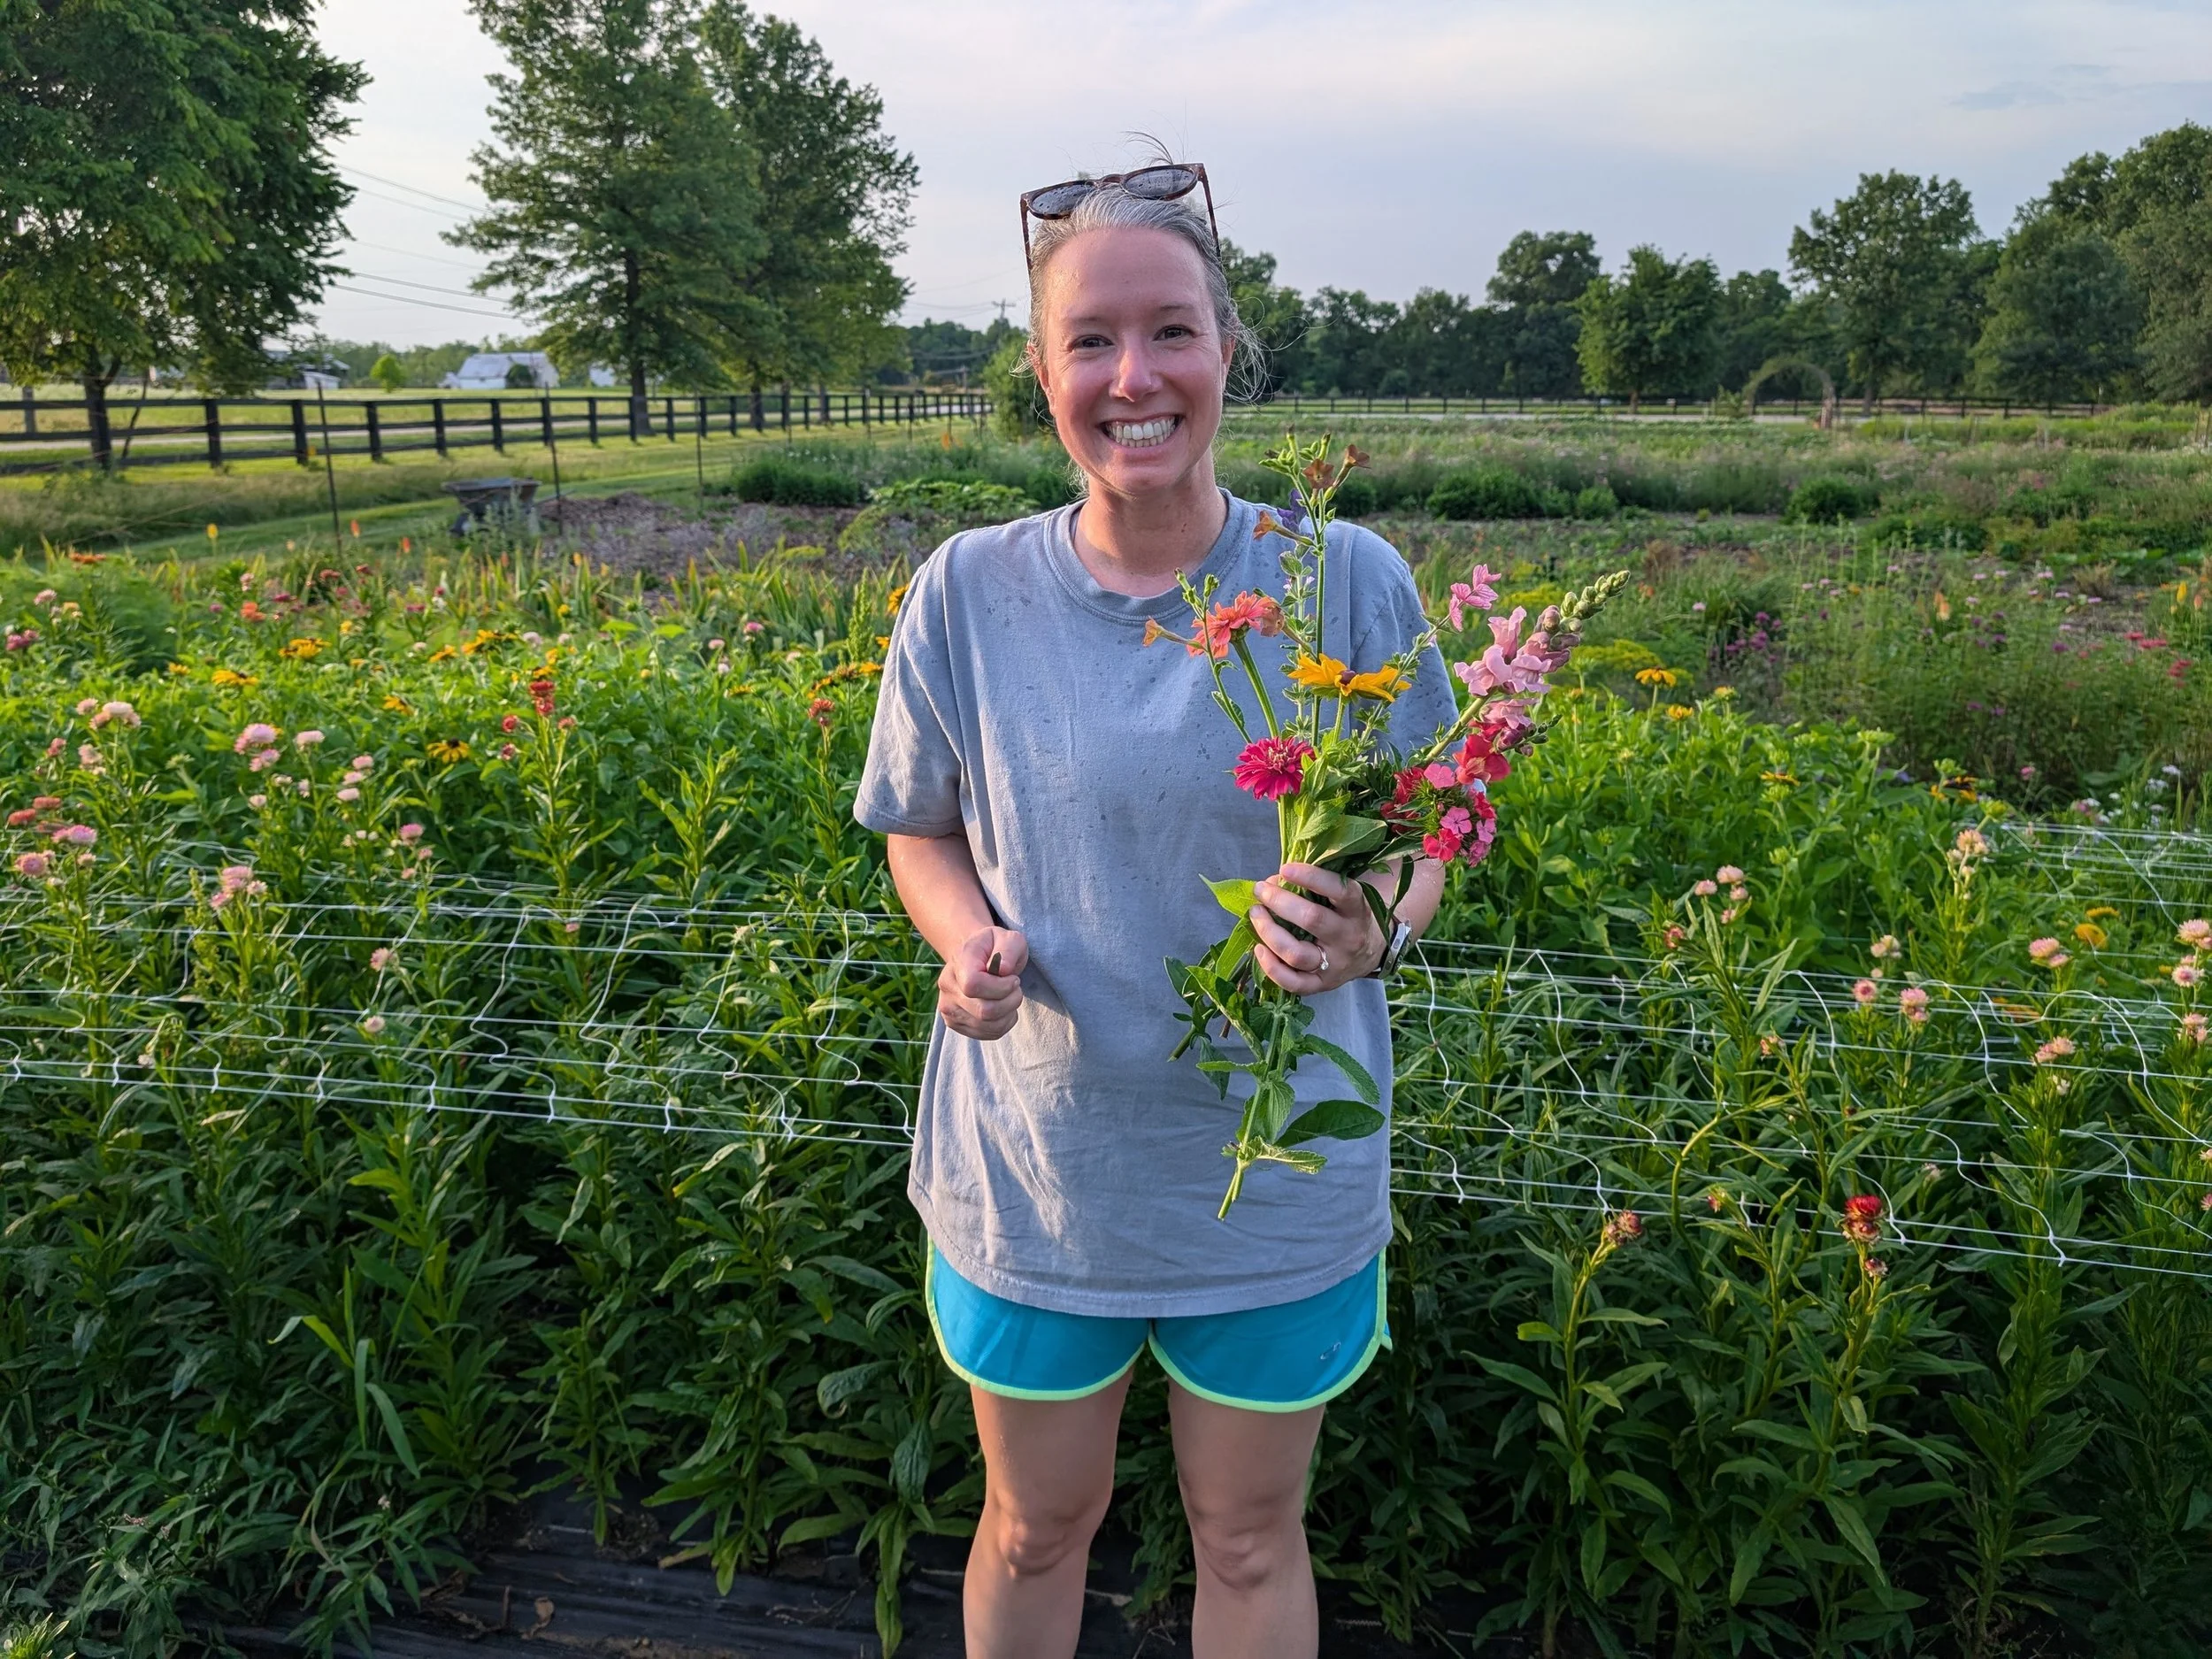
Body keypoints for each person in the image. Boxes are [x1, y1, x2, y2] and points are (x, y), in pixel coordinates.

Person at [854, 163, 1455, 1659]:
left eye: (1172, 331)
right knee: (1034, 1526)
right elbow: (918, 830)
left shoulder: (1339, 581)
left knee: (1249, 1541)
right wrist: (963, 942)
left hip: (1272, 1172)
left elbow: (1436, 824)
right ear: (1041, 374)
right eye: (1090, 341)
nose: (1136, 377)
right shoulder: (966, 593)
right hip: (1042, 1168)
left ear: (1230, 349)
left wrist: (1378, 923)